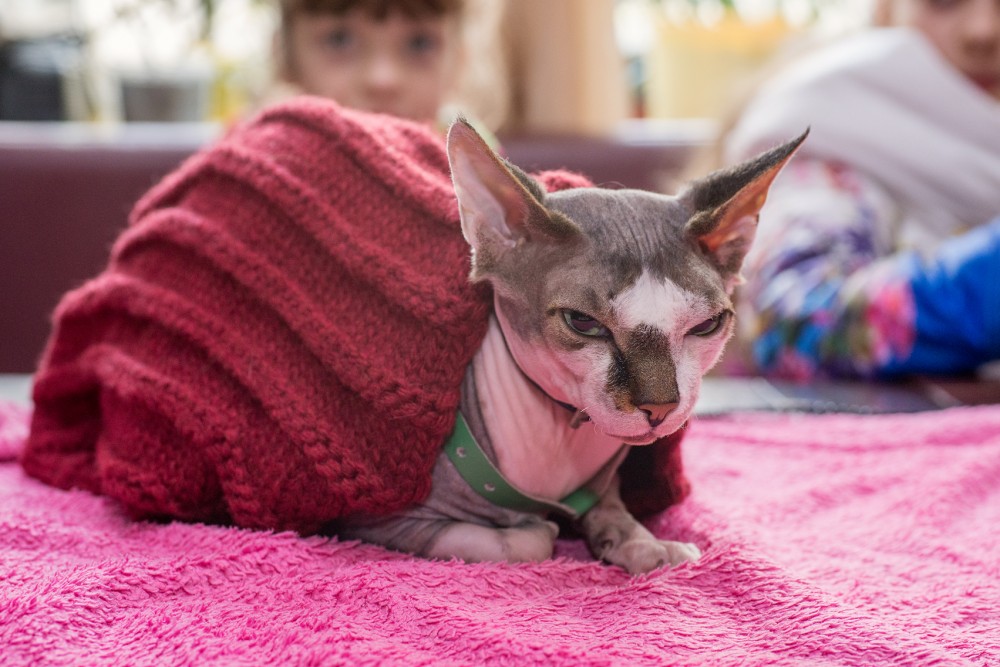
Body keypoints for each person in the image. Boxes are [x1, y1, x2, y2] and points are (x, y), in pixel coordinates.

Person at [711, 0, 1000, 380]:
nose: (983, 32)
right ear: (885, 10)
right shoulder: (827, 147)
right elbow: (794, 319)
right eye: (943, 2)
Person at [270, 0, 505, 137]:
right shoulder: (260, 171)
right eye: (339, 39)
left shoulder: (483, 170)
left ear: (459, 61)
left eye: (419, 43)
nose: (383, 79)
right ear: (285, 56)